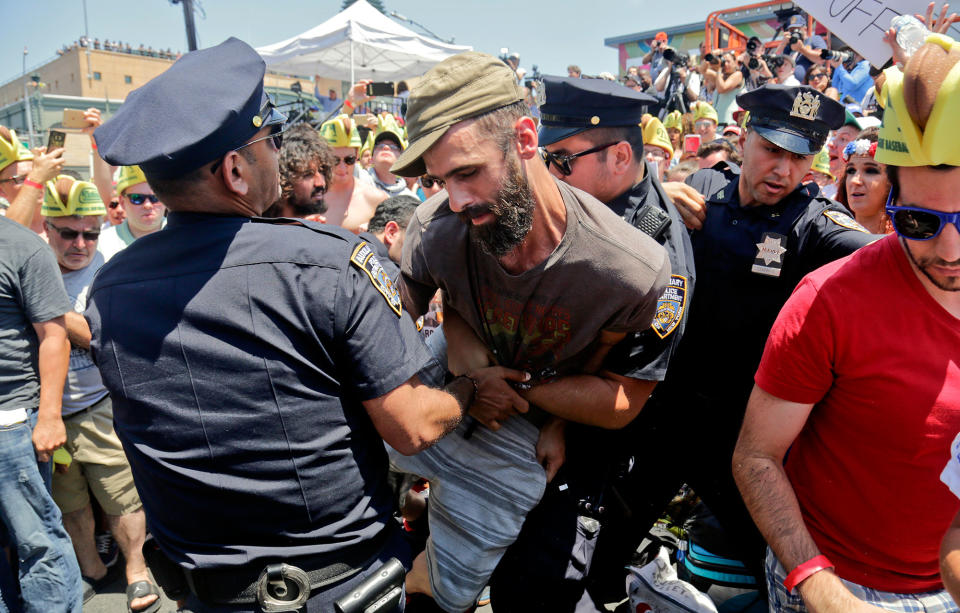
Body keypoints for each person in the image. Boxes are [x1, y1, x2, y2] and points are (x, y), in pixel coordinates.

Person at [88, 37, 485, 613]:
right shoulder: (330, 263)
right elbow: (413, 428)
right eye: (270, 141)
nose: (280, 152)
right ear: (234, 171)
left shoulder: (110, 289)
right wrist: (473, 390)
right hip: (336, 587)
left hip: (209, 596)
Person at [387, 51, 671, 612]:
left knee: (470, 586)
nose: (457, 198)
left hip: (538, 444)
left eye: (467, 171)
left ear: (523, 137)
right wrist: (466, 373)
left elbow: (621, 398)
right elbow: (387, 326)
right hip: (448, 397)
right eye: (441, 179)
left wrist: (519, 396)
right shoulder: (437, 227)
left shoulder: (630, 269)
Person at [606, 83, 879, 587]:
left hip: (739, 436)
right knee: (605, 545)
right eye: (772, 150)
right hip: (660, 413)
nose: (784, 171)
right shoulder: (704, 185)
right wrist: (653, 205)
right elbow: (621, 241)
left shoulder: (813, 225)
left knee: (774, 566)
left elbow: (876, 258)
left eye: (801, 158)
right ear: (745, 138)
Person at [733, 34, 960, 611]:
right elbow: (756, 457)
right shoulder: (831, 300)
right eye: (919, 221)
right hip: (840, 583)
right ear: (890, 205)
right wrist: (817, 583)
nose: (951, 249)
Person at [490, 75, 695, 612]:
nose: (547, 171)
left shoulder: (658, 258)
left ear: (621, 156)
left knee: (539, 591)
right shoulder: (587, 194)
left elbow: (621, 398)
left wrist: (518, 387)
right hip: (525, 427)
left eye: (561, 160)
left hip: (586, 454)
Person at [40, 176, 157, 612]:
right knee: (69, 501)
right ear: (46, 229)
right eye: (68, 233)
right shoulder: (31, 263)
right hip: (46, 412)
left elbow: (96, 335)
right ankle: (90, 568)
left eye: (90, 232)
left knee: (121, 494)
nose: (81, 243)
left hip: (99, 404)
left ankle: (135, 570)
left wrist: (46, 301)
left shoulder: (112, 265)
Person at [0, 209, 82, 612]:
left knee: (37, 543)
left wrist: (49, 416)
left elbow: (55, 335)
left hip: (10, 423)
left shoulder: (22, 246)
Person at [319, 114, 387, 232]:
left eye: (349, 160)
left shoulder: (376, 199)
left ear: (356, 156)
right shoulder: (308, 197)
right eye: (334, 160)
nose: (342, 167)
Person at [0, 127, 65, 237]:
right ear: (1, 190)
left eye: (39, 173)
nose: (39, 184)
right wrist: (35, 178)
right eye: (21, 179)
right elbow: (10, 237)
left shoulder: (66, 222)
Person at [262, 122, 334, 220]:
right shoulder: (262, 229)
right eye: (308, 174)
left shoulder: (318, 228)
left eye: (322, 171)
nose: (320, 183)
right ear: (283, 178)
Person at [97, 165, 166, 260]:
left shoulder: (184, 237)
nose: (148, 205)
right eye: (137, 198)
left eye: (155, 198)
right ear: (122, 202)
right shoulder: (103, 243)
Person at [834, 129, 891, 234]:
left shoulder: (910, 245)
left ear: (892, 182)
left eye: (870, 171)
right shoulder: (826, 239)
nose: (855, 181)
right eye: (851, 171)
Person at [357, 194, 419, 281]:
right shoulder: (391, 277)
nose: (421, 251)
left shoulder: (344, 245)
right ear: (391, 232)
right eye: (418, 239)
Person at [367, 116, 417, 198]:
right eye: (380, 145)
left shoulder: (410, 198)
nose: (386, 147)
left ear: (401, 158)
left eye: (393, 147)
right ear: (371, 159)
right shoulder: (358, 180)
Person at [714, 52, 746, 125]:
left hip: (730, 122)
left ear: (735, 62)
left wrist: (718, 69)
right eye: (724, 62)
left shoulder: (738, 74)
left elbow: (722, 89)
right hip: (718, 122)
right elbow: (704, 71)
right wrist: (712, 57)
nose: (725, 64)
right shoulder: (720, 77)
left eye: (728, 61)